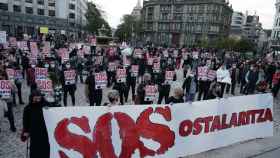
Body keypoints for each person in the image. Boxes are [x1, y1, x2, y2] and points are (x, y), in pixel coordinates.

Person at [21, 90, 50, 158]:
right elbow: (25, 120)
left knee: (45, 149)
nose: (37, 100)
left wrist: (49, 108)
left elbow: (53, 110)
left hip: (44, 131)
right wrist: (26, 131)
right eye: (35, 98)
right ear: (32, 98)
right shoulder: (28, 108)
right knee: (35, 150)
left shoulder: (45, 104)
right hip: (34, 132)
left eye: (39, 98)